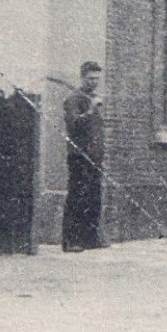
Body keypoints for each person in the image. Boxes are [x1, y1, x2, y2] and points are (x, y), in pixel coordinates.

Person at [62, 60, 106, 252]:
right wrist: (89, 109)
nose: (94, 82)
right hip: (79, 155)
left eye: (97, 79)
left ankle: (90, 239)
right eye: (90, 79)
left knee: (94, 196)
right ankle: (71, 241)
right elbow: (74, 125)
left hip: (95, 156)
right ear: (82, 77)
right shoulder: (73, 99)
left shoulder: (93, 97)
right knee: (77, 196)